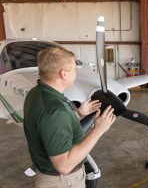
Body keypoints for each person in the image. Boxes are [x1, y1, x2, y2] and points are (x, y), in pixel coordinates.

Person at [23, 47, 116, 188]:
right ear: (64, 74)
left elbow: (49, 125)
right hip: (63, 182)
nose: (76, 74)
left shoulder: (36, 93)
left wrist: (78, 113)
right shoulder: (54, 110)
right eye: (75, 70)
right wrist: (99, 130)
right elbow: (64, 166)